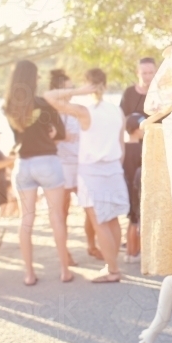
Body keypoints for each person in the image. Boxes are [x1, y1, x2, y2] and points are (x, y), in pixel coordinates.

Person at [44, 68, 128, 283]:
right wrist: (114, 166)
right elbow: (121, 146)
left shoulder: (84, 111)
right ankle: (113, 266)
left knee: (100, 222)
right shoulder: (117, 111)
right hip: (114, 169)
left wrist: (77, 91)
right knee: (112, 220)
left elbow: (49, 97)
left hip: (92, 172)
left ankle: (113, 270)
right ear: (106, 84)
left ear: (86, 85)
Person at [3, 60, 72, 285]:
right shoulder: (44, 104)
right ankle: (64, 270)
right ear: (33, 79)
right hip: (47, 163)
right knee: (57, 218)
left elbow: (18, 137)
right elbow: (60, 132)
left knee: (26, 220)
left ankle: (29, 274)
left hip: (23, 165)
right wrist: (50, 132)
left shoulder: (8, 107)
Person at [49, 69, 98, 261]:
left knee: (90, 206)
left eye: (72, 88)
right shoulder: (50, 113)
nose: (71, 92)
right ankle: (65, 253)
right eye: (67, 89)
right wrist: (60, 138)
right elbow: (44, 140)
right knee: (63, 211)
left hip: (81, 164)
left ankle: (92, 245)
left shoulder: (78, 109)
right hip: (61, 165)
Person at [122, 113, 144, 264]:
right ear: (136, 130)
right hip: (137, 191)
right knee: (137, 222)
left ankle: (130, 252)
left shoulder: (123, 148)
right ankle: (135, 252)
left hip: (126, 189)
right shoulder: (141, 149)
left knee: (132, 220)